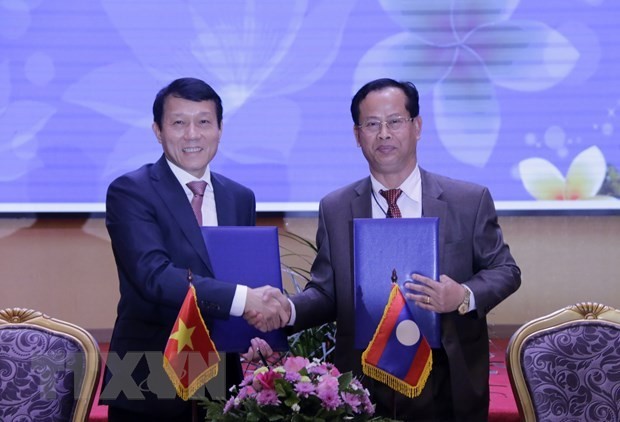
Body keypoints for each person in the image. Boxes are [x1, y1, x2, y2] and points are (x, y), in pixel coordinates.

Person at [285, 78, 521, 421]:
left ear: (417, 127)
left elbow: (506, 270)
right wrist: (287, 310)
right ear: (357, 135)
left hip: (445, 381)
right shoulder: (336, 207)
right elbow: (326, 292)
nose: (384, 134)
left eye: (395, 121)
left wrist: (462, 295)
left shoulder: (467, 200)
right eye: (371, 124)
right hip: (362, 383)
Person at [100, 77, 288, 421]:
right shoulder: (130, 191)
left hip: (220, 373)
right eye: (178, 123)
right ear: (158, 130)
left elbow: (238, 275)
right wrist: (247, 299)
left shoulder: (239, 196)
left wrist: (260, 319)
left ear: (219, 129)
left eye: (203, 121)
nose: (192, 134)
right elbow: (153, 277)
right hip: (148, 371)